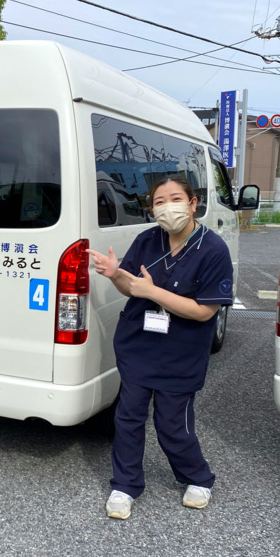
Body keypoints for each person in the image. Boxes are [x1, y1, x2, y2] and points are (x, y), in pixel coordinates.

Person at [86, 175, 233, 519]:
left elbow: (203, 311)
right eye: (160, 202)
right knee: (128, 418)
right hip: (138, 345)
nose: (168, 207)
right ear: (152, 209)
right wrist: (114, 274)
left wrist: (154, 292)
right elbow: (131, 288)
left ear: (193, 203)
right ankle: (124, 486)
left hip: (180, 353)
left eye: (175, 199)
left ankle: (197, 477)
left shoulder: (213, 249)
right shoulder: (148, 239)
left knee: (172, 424)